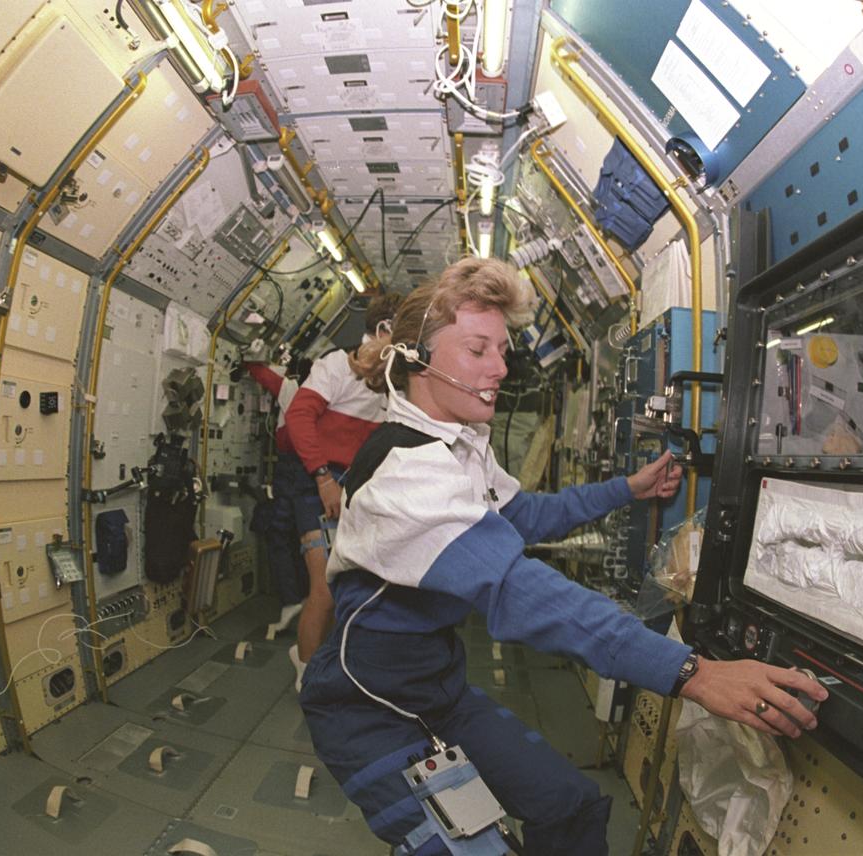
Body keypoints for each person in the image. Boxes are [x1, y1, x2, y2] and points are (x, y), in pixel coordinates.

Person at [300, 258, 828, 855]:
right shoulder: (404, 471)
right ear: (418, 359)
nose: (501, 367)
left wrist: (627, 489)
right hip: (365, 710)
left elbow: (526, 516)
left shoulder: (458, 447)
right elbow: (513, 589)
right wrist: (692, 673)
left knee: (573, 810)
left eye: (503, 349)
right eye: (479, 350)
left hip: (437, 694)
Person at [285, 292, 403, 685]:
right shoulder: (336, 366)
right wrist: (322, 478)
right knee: (324, 587)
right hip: (318, 483)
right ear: (384, 330)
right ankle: (305, 673)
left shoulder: (393, 381)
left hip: (356, 488)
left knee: (347, 586)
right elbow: (299, 416)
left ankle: (326, 662)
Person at [242, 348, 313, 636]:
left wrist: (250, 356)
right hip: (316, 469)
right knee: (308, 536)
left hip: (292, 470)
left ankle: (291, 600)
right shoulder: (332, 398)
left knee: (276, 531)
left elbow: (257, 370)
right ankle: (309, 595)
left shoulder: (292, 388)